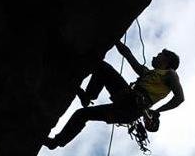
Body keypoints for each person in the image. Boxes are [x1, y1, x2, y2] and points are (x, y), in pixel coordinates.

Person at [44, 41, 184, 149]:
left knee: (103, 67)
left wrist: (157, 111)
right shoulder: (147, 73)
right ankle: (55, 143)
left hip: (132, 102)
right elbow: (127, 54)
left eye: (160, 54)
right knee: (82, 114)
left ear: (166, 61)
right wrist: (116, 40)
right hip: (127, 109)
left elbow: (179, 98)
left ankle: (89, 96)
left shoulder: (170, 74)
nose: (155, 56)